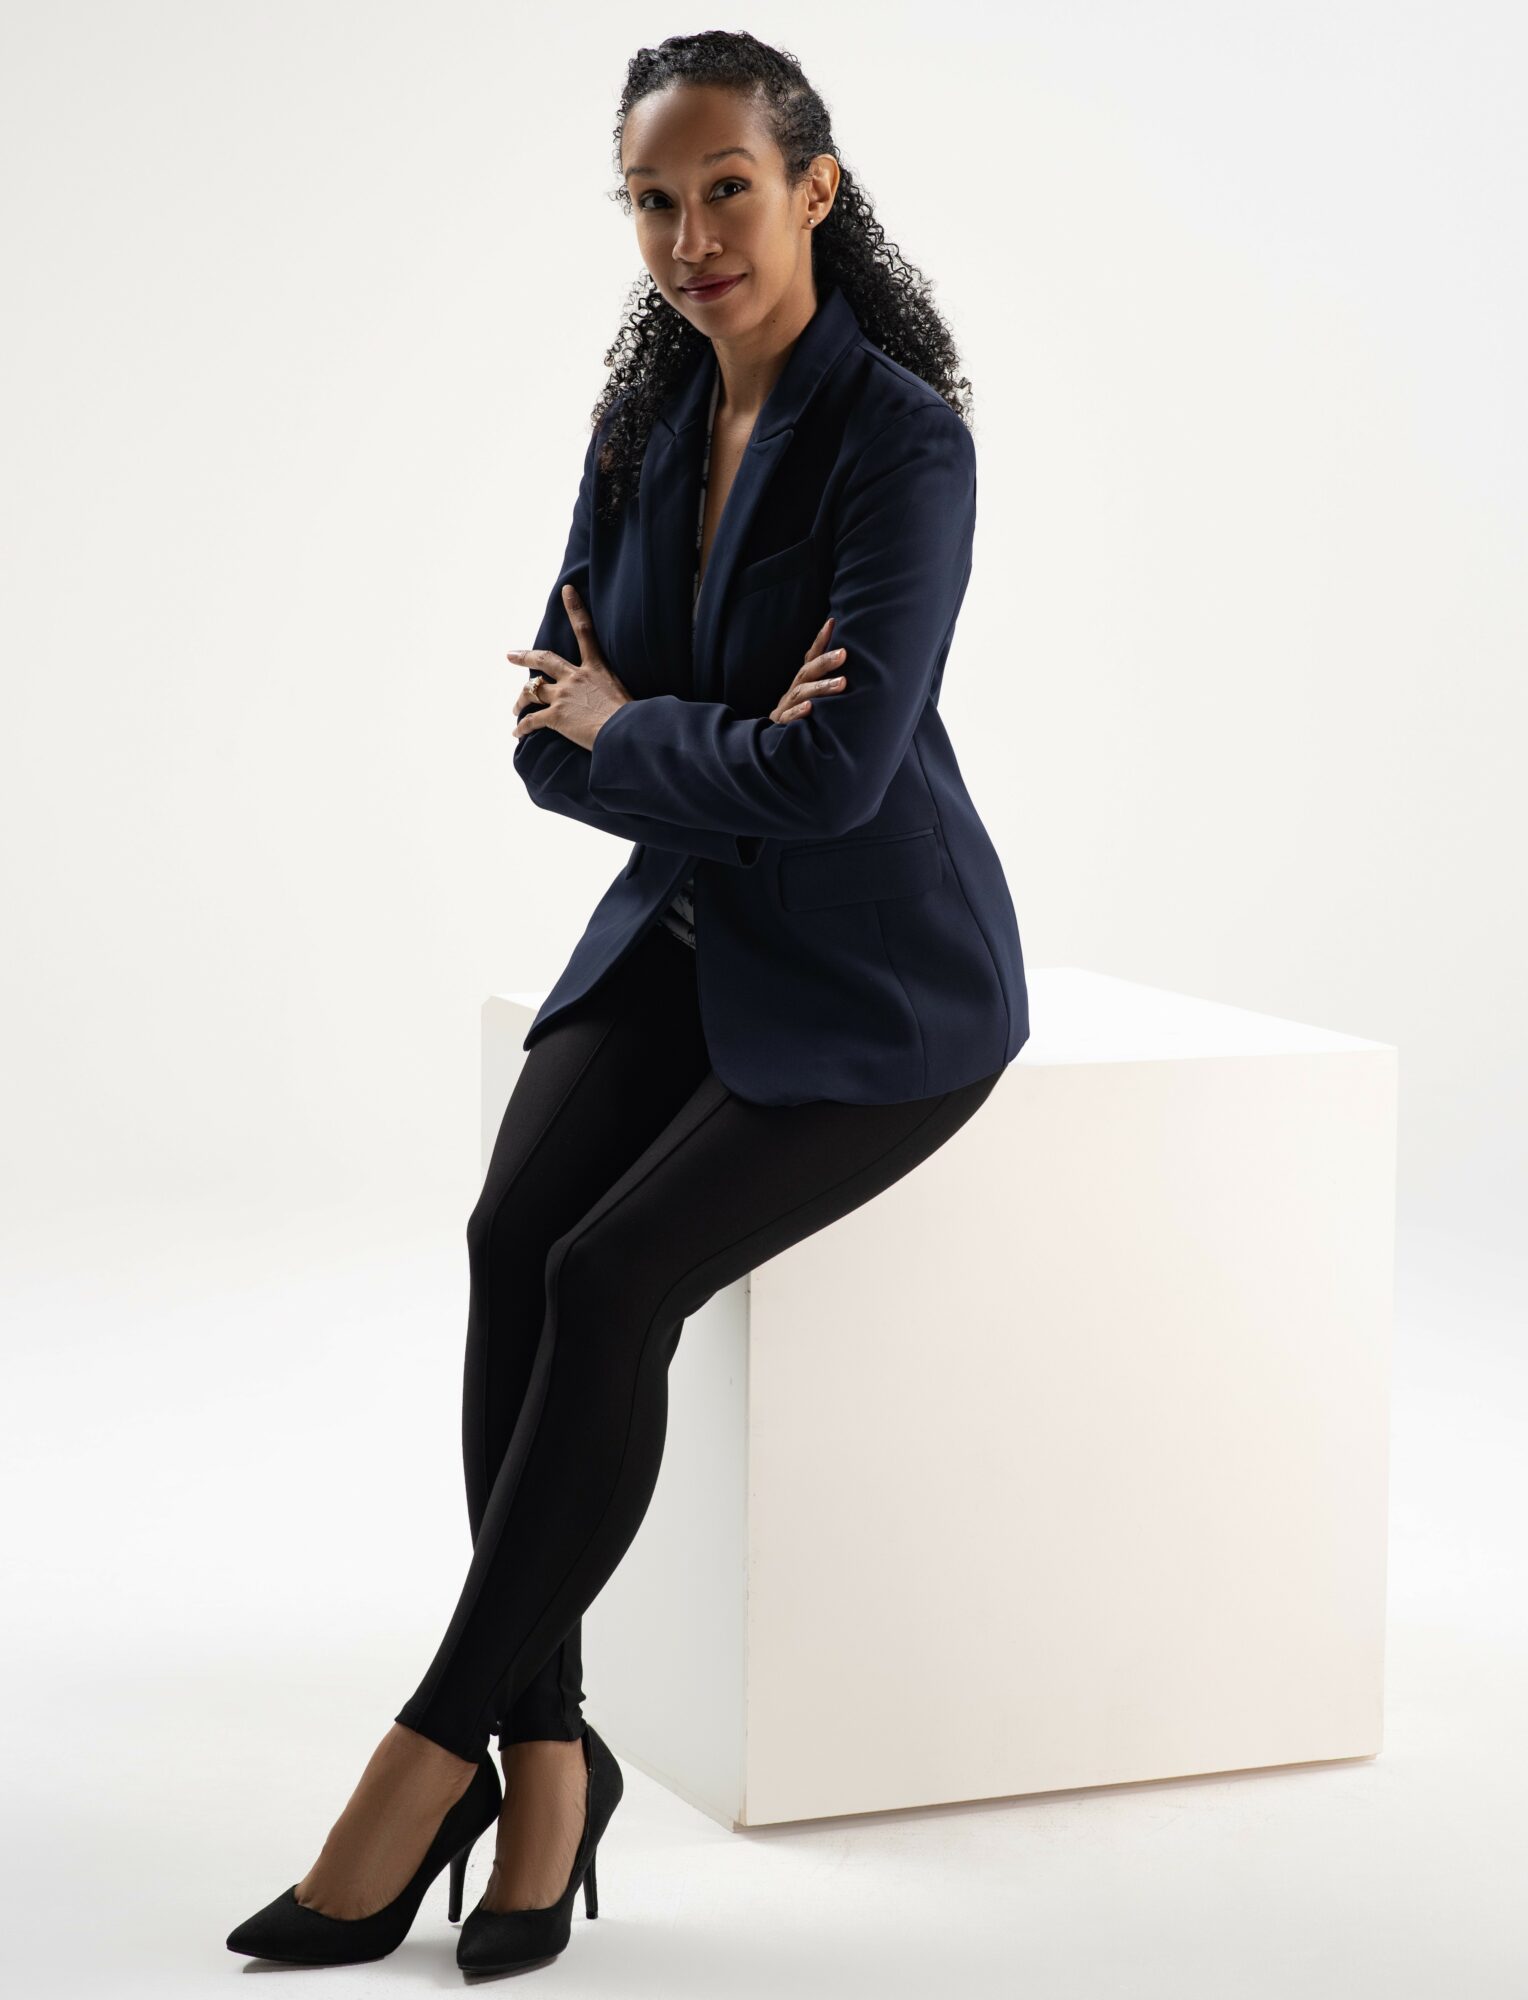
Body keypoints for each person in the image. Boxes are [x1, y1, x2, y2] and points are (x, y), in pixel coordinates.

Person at [227, 27, 1028, 1976]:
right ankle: (552, 1746)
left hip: (875, 978)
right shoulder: (644, 428)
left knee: (612, 1275)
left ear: (811, 187)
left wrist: (630, 722)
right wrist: (670, 736)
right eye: (651, 202)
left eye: (723, 190)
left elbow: (835, 783)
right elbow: (548, 754)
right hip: (679, 928)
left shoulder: (897, 439)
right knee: (516, 1234)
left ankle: (433, 1756)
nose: (687, 236)